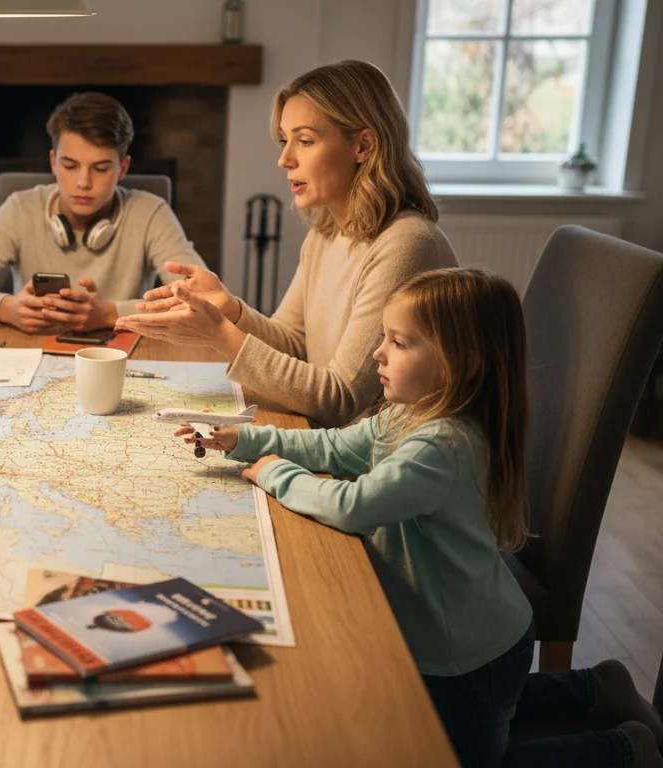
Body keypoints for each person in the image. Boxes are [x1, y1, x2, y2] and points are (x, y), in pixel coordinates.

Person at [183, 267, 662, 768]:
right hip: (477, 641)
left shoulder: (442, 445)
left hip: (466, 653)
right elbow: (335, 447)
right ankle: (595, 686)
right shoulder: (410, 411)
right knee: (494, 703)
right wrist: (248, 439)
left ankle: (626, 748)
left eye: (400, 342)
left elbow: (356, 506)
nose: (378, 353)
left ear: (461, 363)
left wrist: (275, 473)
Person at [117, 60, 457, 427]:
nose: (284, 159)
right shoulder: (326, 233)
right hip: (338, 443)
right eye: (284, 140)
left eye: (305, 141)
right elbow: (294, 343)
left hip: (384, 460)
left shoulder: (404, 243)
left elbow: (340, 399)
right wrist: (231, 311)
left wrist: (221, 336)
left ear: (364, 145)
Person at [0, 91, 207, 334]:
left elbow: (204, 301)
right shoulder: (22, 208)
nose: (83, 182)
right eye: (70, 166)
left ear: (123, 168)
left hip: (118, 358)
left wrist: (109, 314)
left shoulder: (150, 212)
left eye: (100, 168)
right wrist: (6, 308)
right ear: (53, 162)